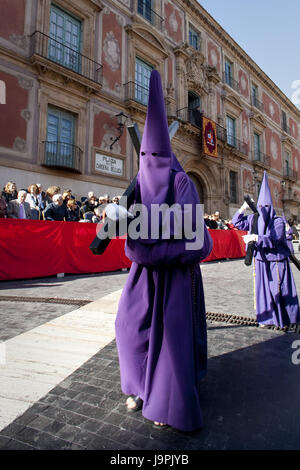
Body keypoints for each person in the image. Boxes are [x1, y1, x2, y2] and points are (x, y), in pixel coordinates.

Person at [115, 70, 213, 432]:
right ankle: (139, 386)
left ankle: (168, 399)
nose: (151, 160)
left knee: (172, 340)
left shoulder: (182, 181)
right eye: (145, 155)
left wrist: (151, 251)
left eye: (157, 154)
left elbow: (199, 241)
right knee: (129, 327)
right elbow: (128, 237)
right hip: (142, 279)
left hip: (175, 279)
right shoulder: (138, 183)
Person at [232, 171, 300, 328]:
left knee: (278, 290)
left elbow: (275, 240)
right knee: (263, 292)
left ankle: (286, 318)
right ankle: (267, 318)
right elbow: (236, 222)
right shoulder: (253, 218)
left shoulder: (277, 222)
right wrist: (243, 208)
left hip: (276, 261)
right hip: (261, 261)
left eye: (266, 206)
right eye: (260, 206)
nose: (263, 209)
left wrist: (256, 238)